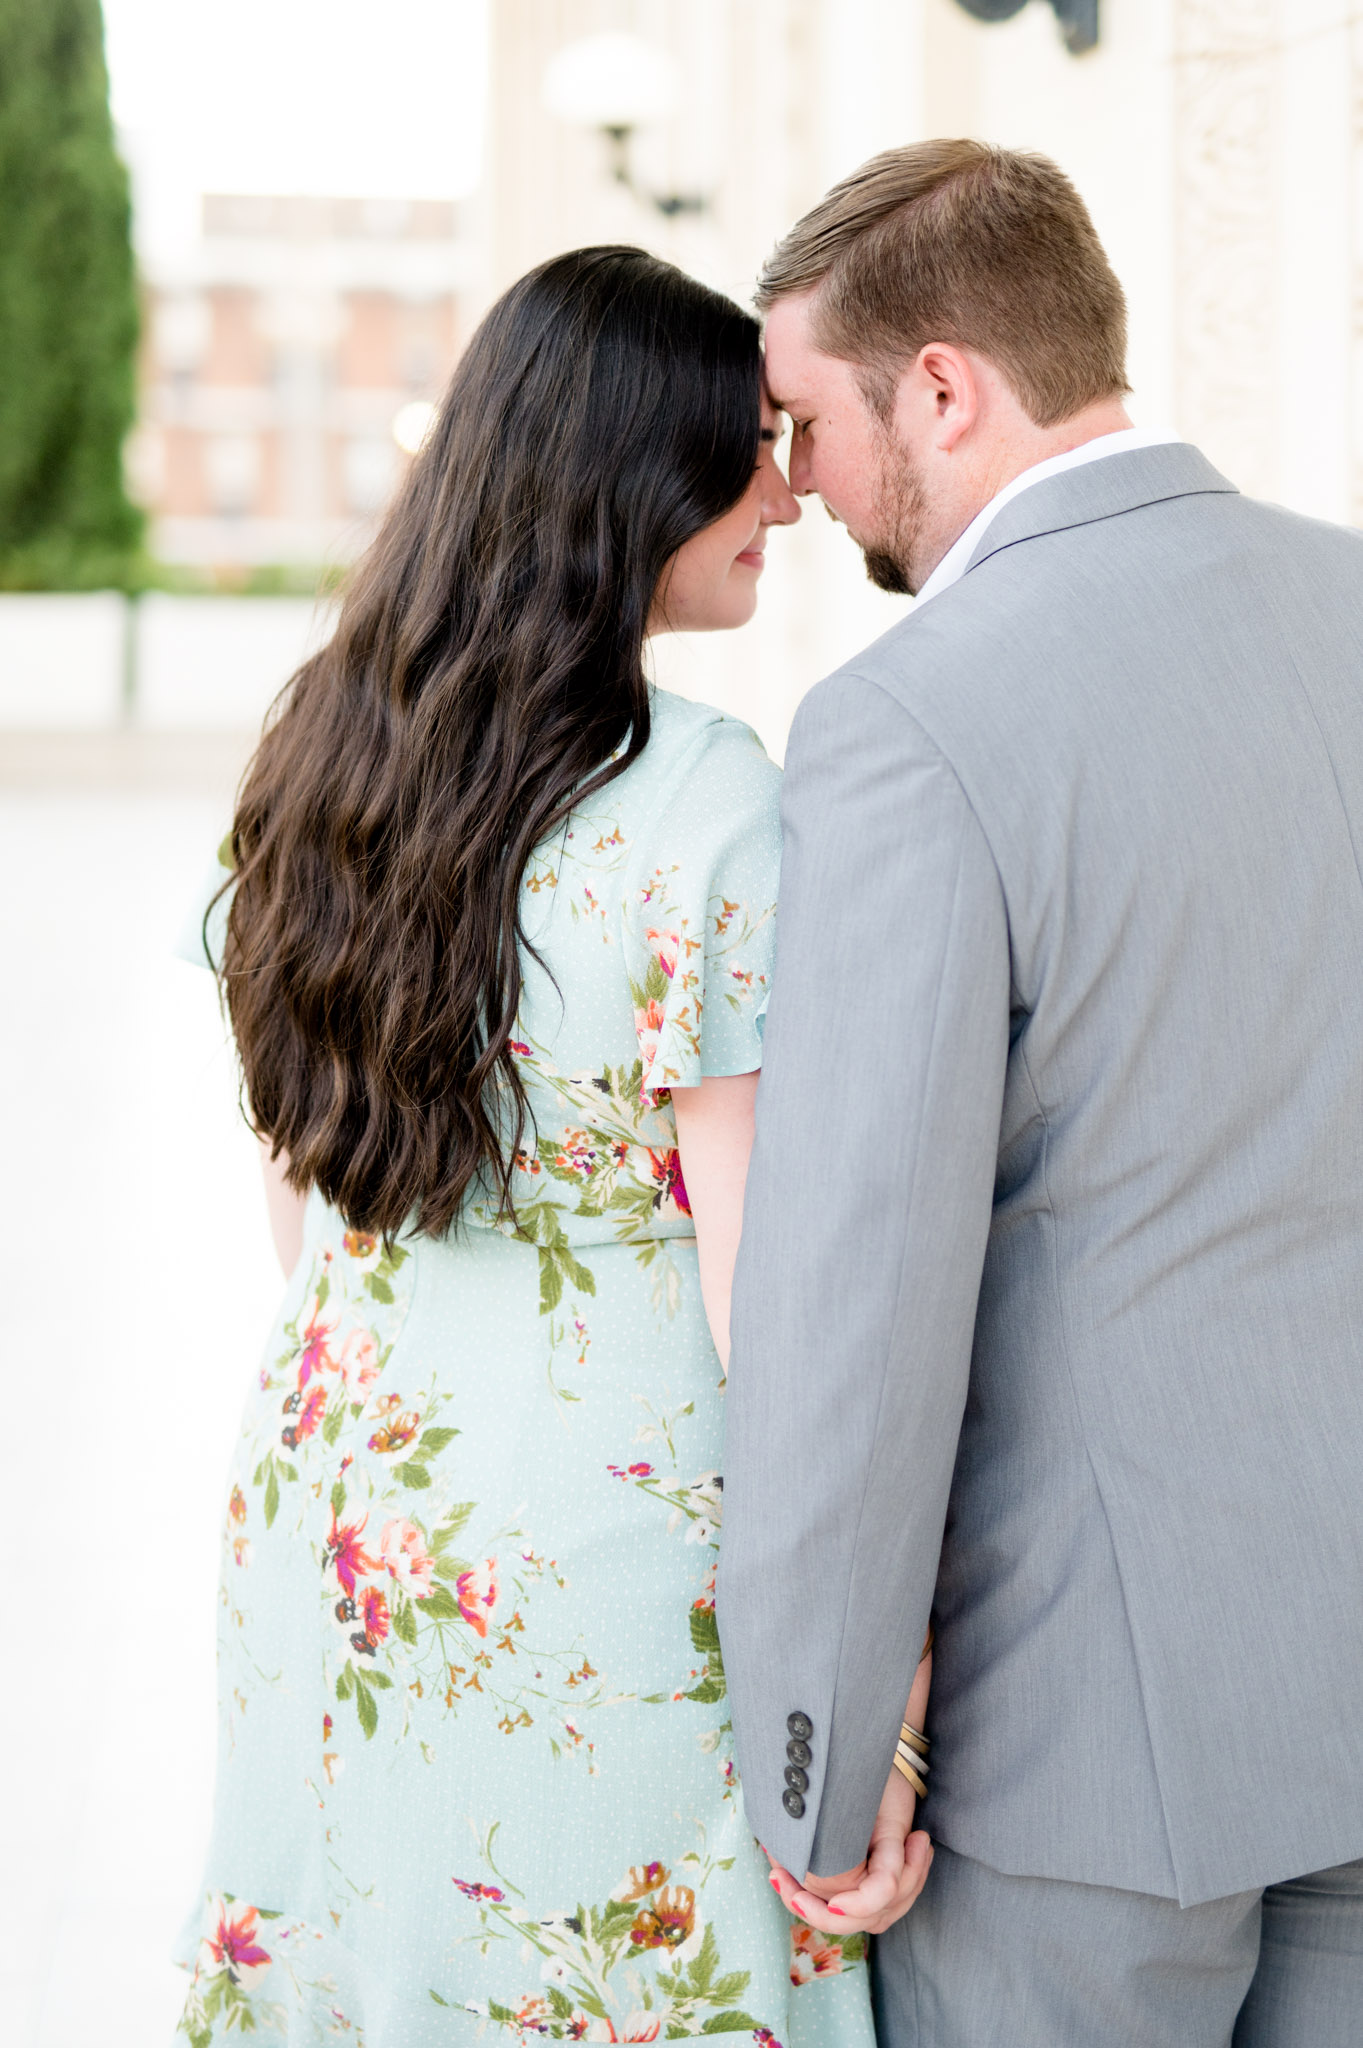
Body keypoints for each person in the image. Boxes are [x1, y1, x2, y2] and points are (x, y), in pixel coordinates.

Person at [172, 244, 881, 2047]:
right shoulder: (706, 794)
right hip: (603, 1555)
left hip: (345, 1489)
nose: (788, 500)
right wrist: (863, 1701)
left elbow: (304, 1188)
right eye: (751, 451)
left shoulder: (327, 750)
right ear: (635, 473)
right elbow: (767, 1294)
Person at [719, 140, 1363, 2046]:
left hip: (1083, 1749)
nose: (797, 486)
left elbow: (858, 1303)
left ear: (940, 384)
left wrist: (823, 1773)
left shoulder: (910, 721)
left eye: (807, 424)